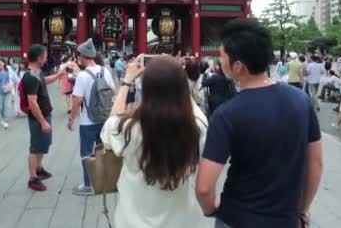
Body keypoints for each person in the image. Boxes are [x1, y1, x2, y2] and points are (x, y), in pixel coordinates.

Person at [196, 19, 322, 228]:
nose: (220, 62)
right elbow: (316, 163)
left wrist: (210, 209)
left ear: (238, 66)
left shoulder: (227, 114)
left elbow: (203, 188)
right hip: (286, 219)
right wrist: (301, 210)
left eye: (222, 57)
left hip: (238, 218)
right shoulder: (301, 100)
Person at [100, 55, 209, 228]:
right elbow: (188, 103)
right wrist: (175, 75)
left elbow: (110, 124)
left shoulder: (127, 128)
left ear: (146, 89)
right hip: (182, 221)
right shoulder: (198, 126)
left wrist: (127, 81)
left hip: (132, 221)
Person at [68, 38, 115, 196]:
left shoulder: (82, 76)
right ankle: (105, 181)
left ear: (82, 56)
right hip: (104, 118)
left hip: (88, 121)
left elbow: (77, 100)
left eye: (79, 55)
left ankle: (89, 185)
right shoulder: (105, 71)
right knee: (103, 151)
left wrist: (71, 119)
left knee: (86, 154)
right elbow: (113, 92)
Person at [22, 45, 63, 192]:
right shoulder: (31, 77)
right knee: (36, 147)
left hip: (45, 114)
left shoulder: (37, 73)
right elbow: (32, 102)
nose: (46, 58)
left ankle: (39, 169)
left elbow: (44, 81)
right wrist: (43, 121)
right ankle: (33, 178)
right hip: (39, 118)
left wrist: (58, 75)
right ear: (39, 58)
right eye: (45, 56)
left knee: (44, 144)